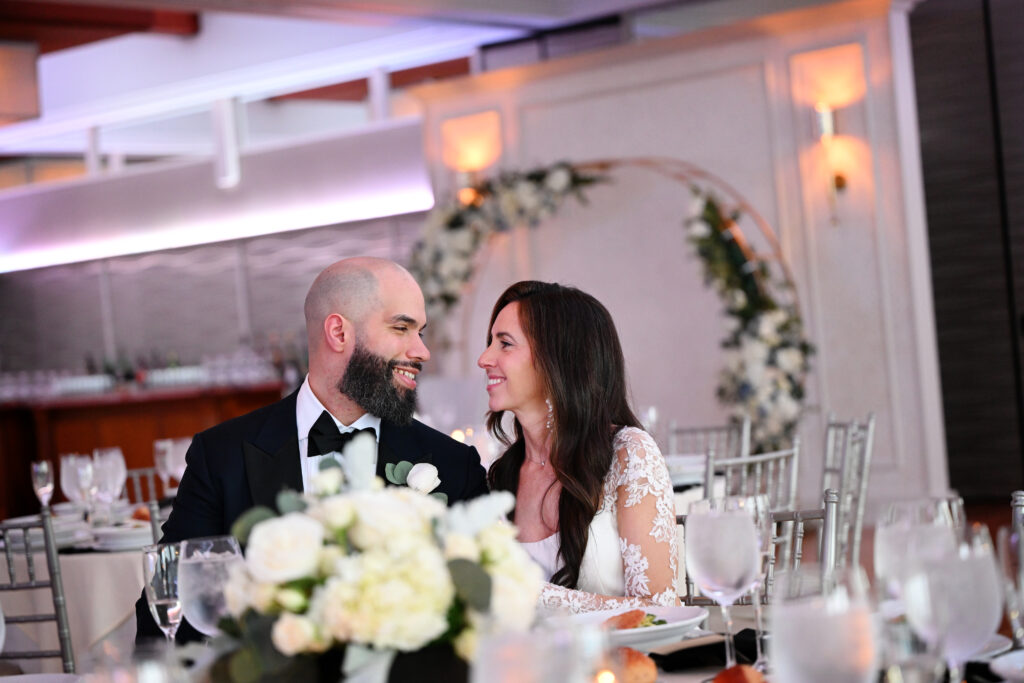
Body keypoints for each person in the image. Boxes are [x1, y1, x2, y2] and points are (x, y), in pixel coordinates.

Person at [136, 257, 488, 643]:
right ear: (338, 332)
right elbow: (166, 609)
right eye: (401, 328)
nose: (422, 351)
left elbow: (481, 613)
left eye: (420, 332)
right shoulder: (222, 455)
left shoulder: (454, 465)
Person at [478, 281, 678, 613]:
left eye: (505, 344)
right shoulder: (499, 474)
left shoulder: (627, 454)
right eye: (490, 343)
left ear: (558, 360)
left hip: (623, 661)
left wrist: (526, 593)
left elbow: (660, 609)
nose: (484, 359)